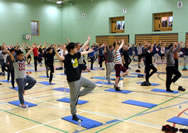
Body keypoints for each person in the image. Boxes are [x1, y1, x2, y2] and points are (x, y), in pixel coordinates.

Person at [55, 42, 96, 121]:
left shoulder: (76, 54)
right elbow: (60, 58)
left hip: (79, 78)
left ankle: (78, 94)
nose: (76, 48)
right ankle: (74, 115)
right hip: (73, 81)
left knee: (92, 85)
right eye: (75, 48)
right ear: (71, 49)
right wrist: (56, 51)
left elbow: (83, 52)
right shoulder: (67, 57)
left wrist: (89, 51)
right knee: (73, 100)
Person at [3, 43, 37, 108]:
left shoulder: (23, 59)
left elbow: (27, 54)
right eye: (21, 55)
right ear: (18, 56)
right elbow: (10, 54)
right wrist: (5, 49)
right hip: (19, 78)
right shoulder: (15, 61)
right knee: (20, 92)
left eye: (22, 55)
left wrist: (32, 48)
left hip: (25, 76)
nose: (22, 56)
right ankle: (22, 103)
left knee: (34, 81)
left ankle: (24, 88)